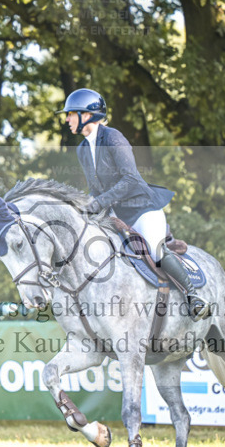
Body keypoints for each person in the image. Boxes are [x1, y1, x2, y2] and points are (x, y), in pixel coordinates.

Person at [57, 88, 209, 319]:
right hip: (117, 215)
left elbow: (131, 179)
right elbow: (96, 189)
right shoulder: (82, 149)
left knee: (156, 251)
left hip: (143, 210)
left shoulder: (113, 138)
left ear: (87, 115)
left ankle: (193, 297)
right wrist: (83, 207)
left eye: (71, 114)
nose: (67, 119)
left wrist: (98, 203)